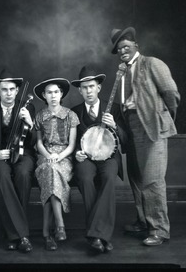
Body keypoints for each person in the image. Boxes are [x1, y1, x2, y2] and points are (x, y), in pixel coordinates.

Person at [110, 27, 180, 246]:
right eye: (119, 48)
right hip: (130, 130)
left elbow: (171, 94)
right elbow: (119, 104)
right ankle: (143, 221)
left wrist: (162, 119)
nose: (123, 51)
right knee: (137, 179)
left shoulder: (152, 64)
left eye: (126, 47)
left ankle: (159, 229)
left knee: (152, 180)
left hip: (152, 128)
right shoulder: (121, 72)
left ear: (136, 47)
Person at [70, 65, 127, 253]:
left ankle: (95, 235)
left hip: (109, 157)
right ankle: (101, 235)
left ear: (99, 88)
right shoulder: (74, 112)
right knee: (85, 178)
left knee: (109, 177)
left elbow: (127, 141)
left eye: (92, 86)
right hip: (85, 157)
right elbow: (67, 143)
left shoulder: (115, 109)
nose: (88, 91)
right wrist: (76, 153)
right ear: (80, 90)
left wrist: (116, 127)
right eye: (84, 88)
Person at [0, 69, 36, 253]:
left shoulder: (28, 108)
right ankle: (22, 236)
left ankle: (11, 235)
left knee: (23, 173)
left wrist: (30, 123)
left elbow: (33, 141)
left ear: (17, 90)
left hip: (23, 153)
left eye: (12, 89)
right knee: (3, 175)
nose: (9, 93)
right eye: (4, 89)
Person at [33, 78, 79, 251]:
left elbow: (72, 145)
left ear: (61, 94)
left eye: (56, 92)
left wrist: (58, 157)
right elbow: (38, 143)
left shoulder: (70, 115)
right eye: (49, 92)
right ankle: (60, 225)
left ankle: (47, 234)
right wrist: (48, 156)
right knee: (50, 171)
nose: (53, 96)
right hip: (45, 156)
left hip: (64, 158)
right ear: (44, 96)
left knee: (52, 174)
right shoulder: (40, 116)